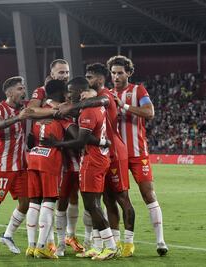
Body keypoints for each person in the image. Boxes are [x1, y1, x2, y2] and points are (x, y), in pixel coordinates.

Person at [57, 63, 135, 257]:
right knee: (101, 201)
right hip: (101, 152)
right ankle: (102, 245)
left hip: (105, 154)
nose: (68, 96)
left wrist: (56, 142)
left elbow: (82, 137)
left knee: (111, 199)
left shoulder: (102, 98)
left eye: (90, 77)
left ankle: (119, 244)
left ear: (99, 80)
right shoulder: (92, 102)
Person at [43, 77, 119, 261]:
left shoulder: (86, 111)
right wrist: (102, 141)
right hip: (100, 158)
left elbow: (80, 141)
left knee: (91, 205)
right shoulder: (96, 107)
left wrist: (57, 143)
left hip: (92, 161)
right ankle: (97, 246)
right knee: (95, 204)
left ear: (79, 92)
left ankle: (110, 247)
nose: (68, 95)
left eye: (71, 92)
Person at [107, 55, 168, 256]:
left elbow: (149, 112)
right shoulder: (106, 94)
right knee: (118, 198)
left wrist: (122, 105)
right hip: (116, 155)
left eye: (120, 73)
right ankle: (120, 242)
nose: (116, 76)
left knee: (148, 194)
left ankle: (160, 241)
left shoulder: (137, 90)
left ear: (129, 73)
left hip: (138, 153)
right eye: (113, 73)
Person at [28, 59, 83, 252]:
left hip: (72, 148)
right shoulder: (42, 91)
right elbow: (31, 110)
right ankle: (52, 242)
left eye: (66, 71)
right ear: (52, 74)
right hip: (51, 148)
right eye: (61, 72)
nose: (65, 75)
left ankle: (71, 236)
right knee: (52, 196)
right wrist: (56, 110)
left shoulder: (73, 90)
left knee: (74, 194)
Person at [0, 76, 34, 257]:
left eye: (23, 88)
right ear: (9, 92)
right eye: (20, 89)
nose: (23, 92)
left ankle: (7, 235)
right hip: (3, 164)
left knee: (26, 203)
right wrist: (18, 117)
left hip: (20, 165)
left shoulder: (23, 107)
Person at [24, 80, 75, 259]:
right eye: (65, 92)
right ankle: (42, 246)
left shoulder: (39, 110)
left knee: (34, 202)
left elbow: (30, 139)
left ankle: (31, 246)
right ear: (61, 93)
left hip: (34, 157)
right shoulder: (61, 113)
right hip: (50, 158)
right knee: (49, 201)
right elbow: (76, 135)